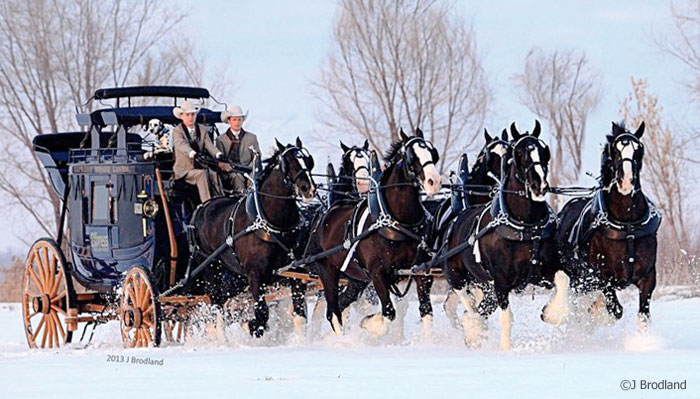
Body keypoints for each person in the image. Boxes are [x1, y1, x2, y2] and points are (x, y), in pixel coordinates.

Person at [171, 101, 225, 202]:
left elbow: (208, 144)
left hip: (200, 166)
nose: (191, 117)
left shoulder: (202, 129)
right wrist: (192, 153)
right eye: (188, 115)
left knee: (213, 174)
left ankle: (220, 200)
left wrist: (218, 154)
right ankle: (207, 203)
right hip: (184, 170)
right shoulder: (177, 131)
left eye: (193, 114)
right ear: (182, 116)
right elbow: (181, 144)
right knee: (202, 174)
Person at [216, 105, 260, 192]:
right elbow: (220, 160)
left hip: (249, 170)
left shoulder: (252, 137)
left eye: (239, 119)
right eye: (234, 119)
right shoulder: (221, 140)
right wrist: (229, 167)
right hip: (230, 173)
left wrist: (251, 171)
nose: (237, 122)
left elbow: (257, 156)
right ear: (229, 121)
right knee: (237, 177)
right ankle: (241, 198)